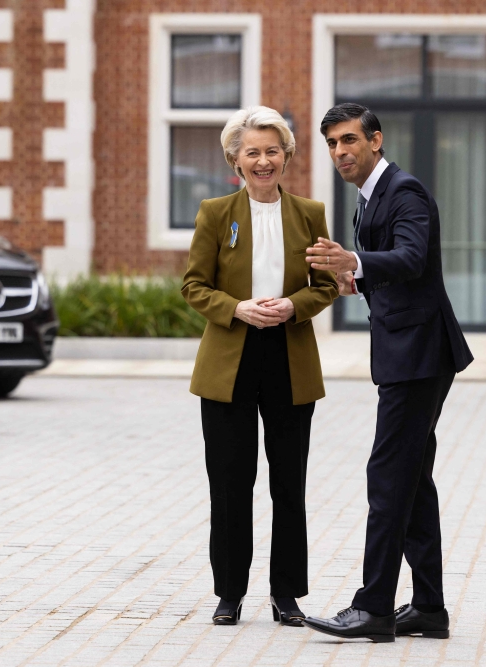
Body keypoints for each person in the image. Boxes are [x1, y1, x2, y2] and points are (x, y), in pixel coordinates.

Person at [302, 103, 473, 643]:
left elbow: (413, 256)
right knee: (413, 480)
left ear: (376, 140)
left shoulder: (404, 191)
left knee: (389, 476)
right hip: (408, 351)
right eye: (332, 143)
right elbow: (394, 268)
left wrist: (355, 262)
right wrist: (361, 278)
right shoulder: (369, 196)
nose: (340, 152)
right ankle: (428, 607)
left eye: (349, 140)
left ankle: (373, 607)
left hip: (420, 354)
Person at [181, 106, 338, 627]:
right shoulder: (214, 213)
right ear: (236, 159)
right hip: (230, 359)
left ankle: (287, 596)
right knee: (229, 484)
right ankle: (230, 593)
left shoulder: (310, 213)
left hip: (289, 358)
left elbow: (326, 285)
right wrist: (237, 308)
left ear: (287, 157)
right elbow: (194, 286)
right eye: (253, 152)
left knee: (288, 484)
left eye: (273, 151)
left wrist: (294, 305)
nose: (264, 160)